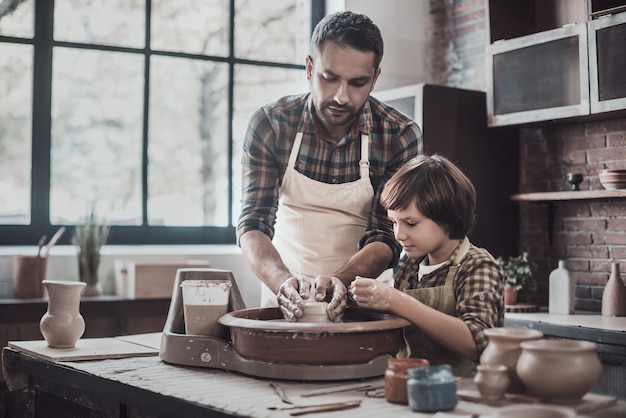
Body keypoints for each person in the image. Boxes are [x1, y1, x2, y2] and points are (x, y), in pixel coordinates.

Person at [237, 11, 422, 322]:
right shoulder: (271, 124)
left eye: (357, 83)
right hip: (283, 297)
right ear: (310, 68)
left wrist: (341, 281)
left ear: (375, 78)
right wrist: (283, 282)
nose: (341, 96)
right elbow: (253, 224)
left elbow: (386, 235)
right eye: (329, 77)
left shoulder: (399, 134)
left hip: (363, 298)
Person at [349, 154, 504, 377]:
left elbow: (477, 342)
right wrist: (357, 300)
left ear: (448, 216)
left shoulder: (476, 266)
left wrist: (396, 300)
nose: (399, 234)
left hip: (463, 391)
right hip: (409, 385)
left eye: (411, 223)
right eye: (394, 222)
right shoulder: (410, 268)